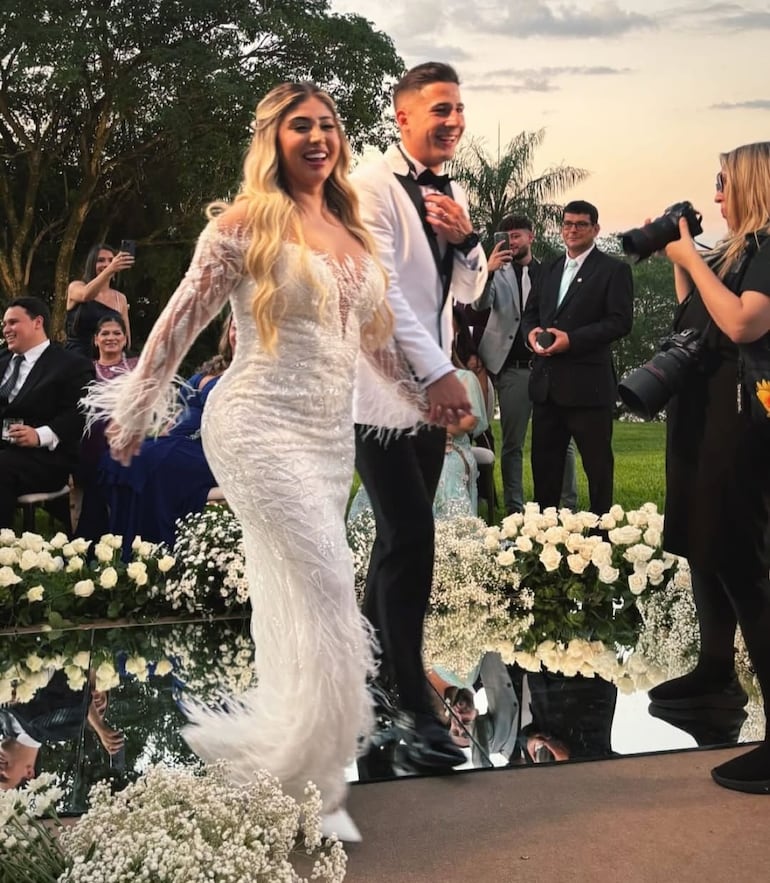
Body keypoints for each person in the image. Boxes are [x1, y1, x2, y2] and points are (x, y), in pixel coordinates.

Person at [84, 81, 410, 841]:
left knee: (293, 599)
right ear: (273, 139)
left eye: (328, 124)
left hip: (330, 442)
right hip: (255, 423)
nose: (319, 136)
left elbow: (378, 340)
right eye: (301, 125)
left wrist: (431, 399)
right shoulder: (240, 226)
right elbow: (176, 325)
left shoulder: (351, 233)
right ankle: (294, 767)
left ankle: (301, 785)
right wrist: (133, 412)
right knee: (331, 580)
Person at [351, 61, 487, 769]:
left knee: (396, 543)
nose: (453, 120)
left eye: (459, 108)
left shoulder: (451, 188)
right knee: (411, 535)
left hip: (429, 395)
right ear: (401, 116)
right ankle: (413, 698)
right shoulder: (369, 187)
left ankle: (375, 679)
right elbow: (379, 295)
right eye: (440, 109)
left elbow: (463, 292)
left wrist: (468, 240)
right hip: (377, 394)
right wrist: (442, 374)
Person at [647, 142, 770, 794]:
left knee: (747, 567)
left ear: (752, 185)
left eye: (725, 182)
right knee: (706, 548)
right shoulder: (736, 251)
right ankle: (715, 667)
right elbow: (698, 311)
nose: (716, 193)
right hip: (703, 416)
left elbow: (746, 322)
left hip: (745, 421)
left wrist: (690, 255)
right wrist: (689, 258)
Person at [522, 200, 633, 516]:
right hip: (546, 387)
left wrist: (571, 340)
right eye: (567, 223)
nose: (572, 229)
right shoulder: (549, 268)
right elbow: (530, 315)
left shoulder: (614, 270)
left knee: (598, 469)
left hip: (588, 388)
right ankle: (542, 538)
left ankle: (603, 539)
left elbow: (619, 322)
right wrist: (531, 335)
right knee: (544, 468)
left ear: (595, 229)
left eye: (581, 224)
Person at [99, 315, 235, 557]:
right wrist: (160, 430)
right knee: (119, 457)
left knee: (157, 462)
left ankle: (154, 552)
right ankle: (118, 545)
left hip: (212, 450)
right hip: (177, 440)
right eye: (235, 328)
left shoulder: (258, 375)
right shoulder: (213, 368)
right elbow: (179, 411)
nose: (239, 334)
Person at [474, 215, 577, 513]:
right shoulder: (495, 272)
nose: (512, 241)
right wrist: (488, 272)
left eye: (517, 235)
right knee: (512, 444)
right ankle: (515, 510)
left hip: (549, 368)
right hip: (513, 369)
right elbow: (480, 305)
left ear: (531, 237)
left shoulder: (550, 272)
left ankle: (567, 508)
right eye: (507, 236)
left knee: (563, 442)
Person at [0, 297, 94, 528]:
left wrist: (40, 434)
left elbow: (81, 412)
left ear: (37, 322)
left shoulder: (71, 364)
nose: (6, 329)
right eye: (4, 324)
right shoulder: (2, 360)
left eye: (13, 322)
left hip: (44, 458)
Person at [73, 315, 139, 540]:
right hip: (93, 441)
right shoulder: (83, 370)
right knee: (98, 424)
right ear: (95, 340)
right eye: (105, 333)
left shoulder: (137, 366)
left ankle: (90, 541)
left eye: (116, 333)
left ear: (125, 338)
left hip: (133, 438)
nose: (111, 338)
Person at [66, 244, 134, 357]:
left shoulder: (120, 298)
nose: (107, 264)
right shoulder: (76, 287)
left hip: (108, 362)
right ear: (91, 265)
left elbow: (126, 338)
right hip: (77, 359)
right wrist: (110, 269)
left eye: (111, 260)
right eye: (101, 260)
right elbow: (86, 295)